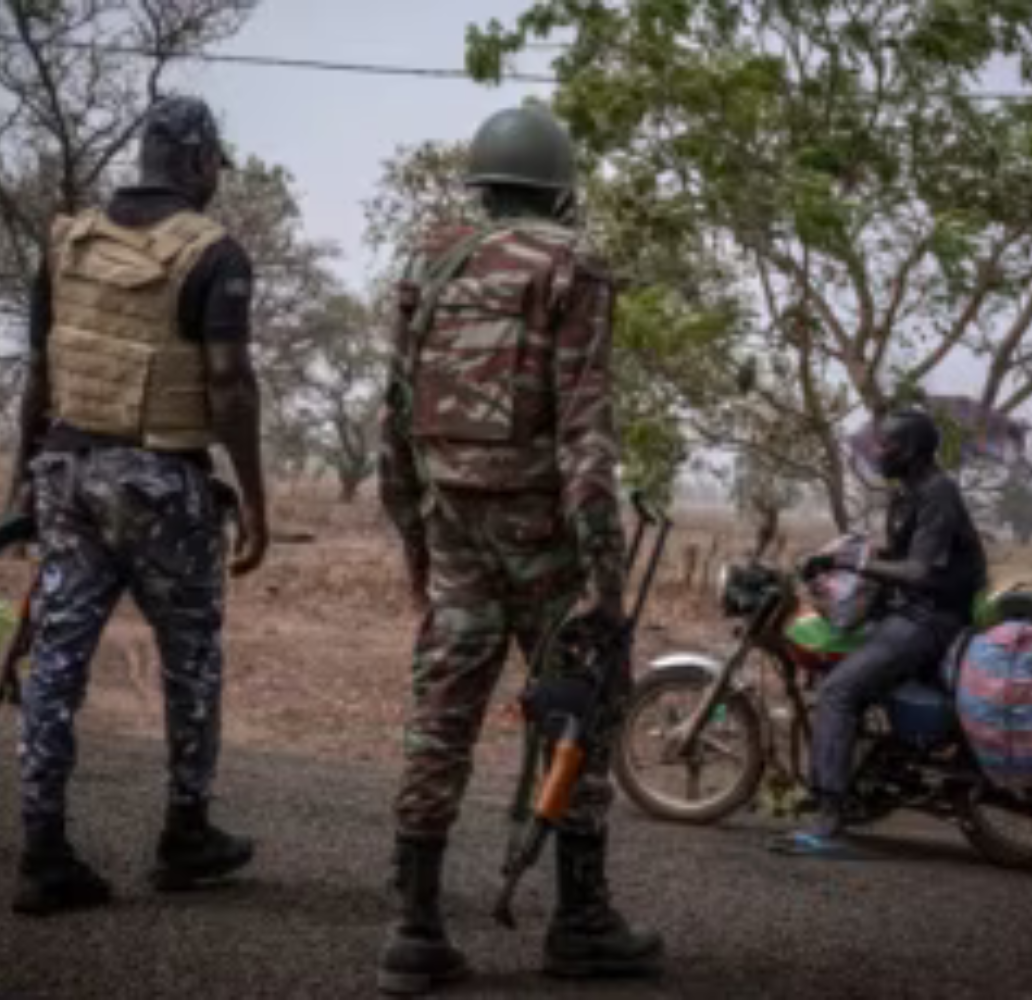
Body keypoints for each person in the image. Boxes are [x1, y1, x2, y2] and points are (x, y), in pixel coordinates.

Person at [376, 106, 664, 994]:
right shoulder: (572, 264)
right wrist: (607, 585)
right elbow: (586, 433)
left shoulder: (430, 258)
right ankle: (578, 922)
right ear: (560, 186)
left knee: (443, 716)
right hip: (543, 536)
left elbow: (392, 416)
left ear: (482, 181)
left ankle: (413, 930)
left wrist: (415, 539)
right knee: (581, 704)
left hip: (453, 526)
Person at [9, 95, 269, 915]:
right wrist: (255, 500)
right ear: (197, 162)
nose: (216, 177)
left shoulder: (69, 243)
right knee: (190, 658)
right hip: (163, 485)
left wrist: (23, 480)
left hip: (68, 473)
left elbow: (40, 377)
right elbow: (228, 386)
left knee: (56, 661)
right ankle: (185, 834)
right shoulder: (215, 255)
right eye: (215, 164)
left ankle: (42, 849)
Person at [780, 408, 987, 853]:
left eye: (887, 445)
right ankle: (856, 776)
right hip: (908, 610)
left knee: (838, 691)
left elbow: (915, 570)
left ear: (911, 450)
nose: (877, 452)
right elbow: (895, 553)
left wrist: (848, 563)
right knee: (843, 662)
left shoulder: (938, 493)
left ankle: (830, 816)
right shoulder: (908, 493)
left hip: (930, 618)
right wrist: (840, 554)